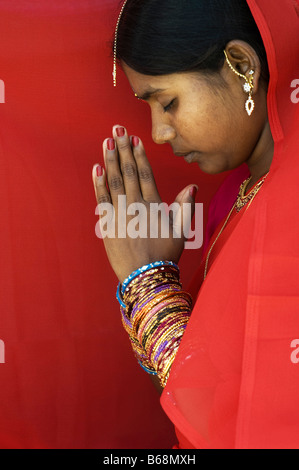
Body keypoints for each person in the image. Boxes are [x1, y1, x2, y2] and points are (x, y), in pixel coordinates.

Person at [92, 0, 299, 449]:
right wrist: (150, 287)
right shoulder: (235, 194)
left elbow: (254, 427)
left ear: (241, 65)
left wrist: (148, 290)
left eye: (167, 102)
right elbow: (194, 402)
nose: (159, 132)